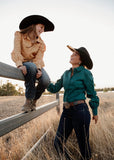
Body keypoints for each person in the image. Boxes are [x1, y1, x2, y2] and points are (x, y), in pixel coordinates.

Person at [47, 45, 99, 160]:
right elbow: (54, 88)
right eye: (72, 53)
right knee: (58, 143)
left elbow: (92, 94)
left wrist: (95, 112)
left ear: (81, 60)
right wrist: (44, 79)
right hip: (66, 112)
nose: (71, 55)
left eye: (75, 54)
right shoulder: (65, 73)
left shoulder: (86, 73)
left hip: (80, 111)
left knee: (84, 147)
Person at [11, 15, 54, 112]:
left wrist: (39, 69)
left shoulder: (41, 44)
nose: (42, 30)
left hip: (36, 64)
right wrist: (20, 65)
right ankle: (28, 100)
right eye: (41, 27)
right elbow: (16, 51)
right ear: (33, 25)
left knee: (46, 80)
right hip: (24, 62)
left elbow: (38, 58)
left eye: (43, 29)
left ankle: (34, 100)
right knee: (30, 67)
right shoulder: (19, 35)